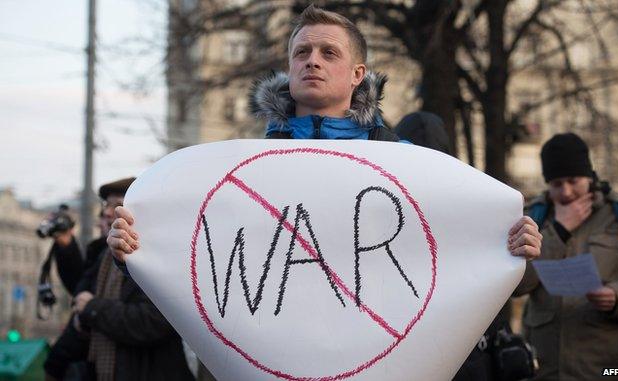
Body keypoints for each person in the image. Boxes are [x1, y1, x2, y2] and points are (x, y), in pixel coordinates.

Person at [106, 6, 542, 377]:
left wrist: (511, 247)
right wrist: (134, 254)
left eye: (328, 52)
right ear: (289, 67)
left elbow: (451, 263)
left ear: (357, 74)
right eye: (302, 52)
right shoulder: (237, 169)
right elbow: (206, 262)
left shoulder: (411, 168)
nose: (312, 61)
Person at [45, 178, 194, 381]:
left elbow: (152, 322)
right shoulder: (102, 255)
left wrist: (92, 309)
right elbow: (80, 288)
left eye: (117, 206)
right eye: (106, 205)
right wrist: (66, 246)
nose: (107, 212)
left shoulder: (162, 257)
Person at [514, 133, 618, 380]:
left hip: (606, 368)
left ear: (589, 176)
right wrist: (559, 231)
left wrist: (617, 297)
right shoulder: (533, 218)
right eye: (556, 184)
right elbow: (517, 286)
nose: (566, 191)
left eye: (574, 180)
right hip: (545, 367)